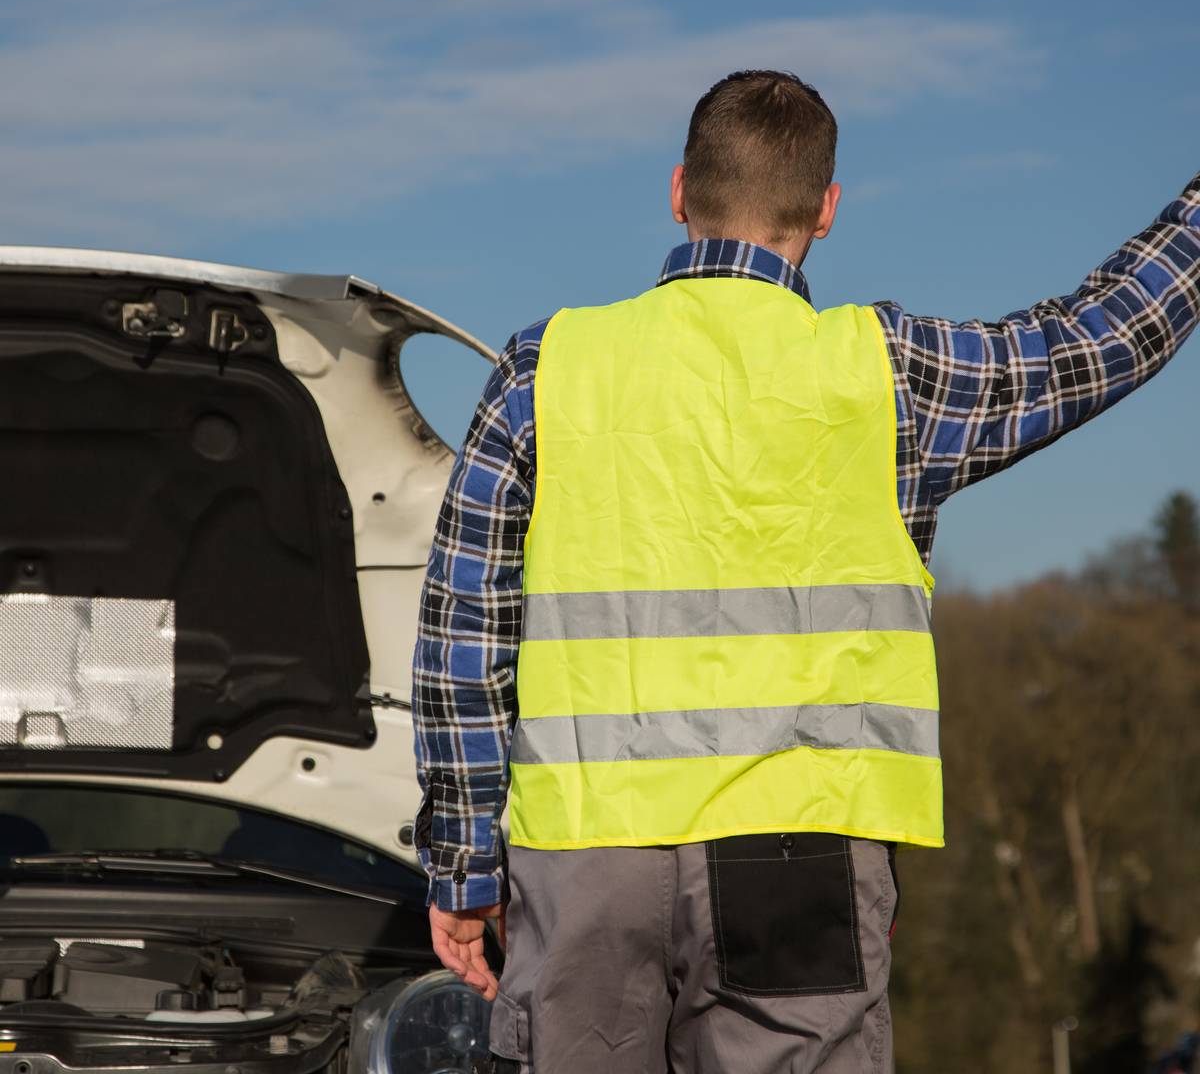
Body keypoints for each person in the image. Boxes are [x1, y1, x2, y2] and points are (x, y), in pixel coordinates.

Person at [412, 69, 1200, 1073]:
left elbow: (462, 630)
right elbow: (1103, 335)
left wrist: (465, 862)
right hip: (804, 856)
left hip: (587, 855)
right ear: (825, 211)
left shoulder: (546, 369)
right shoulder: (890, 376)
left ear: (678, 193)